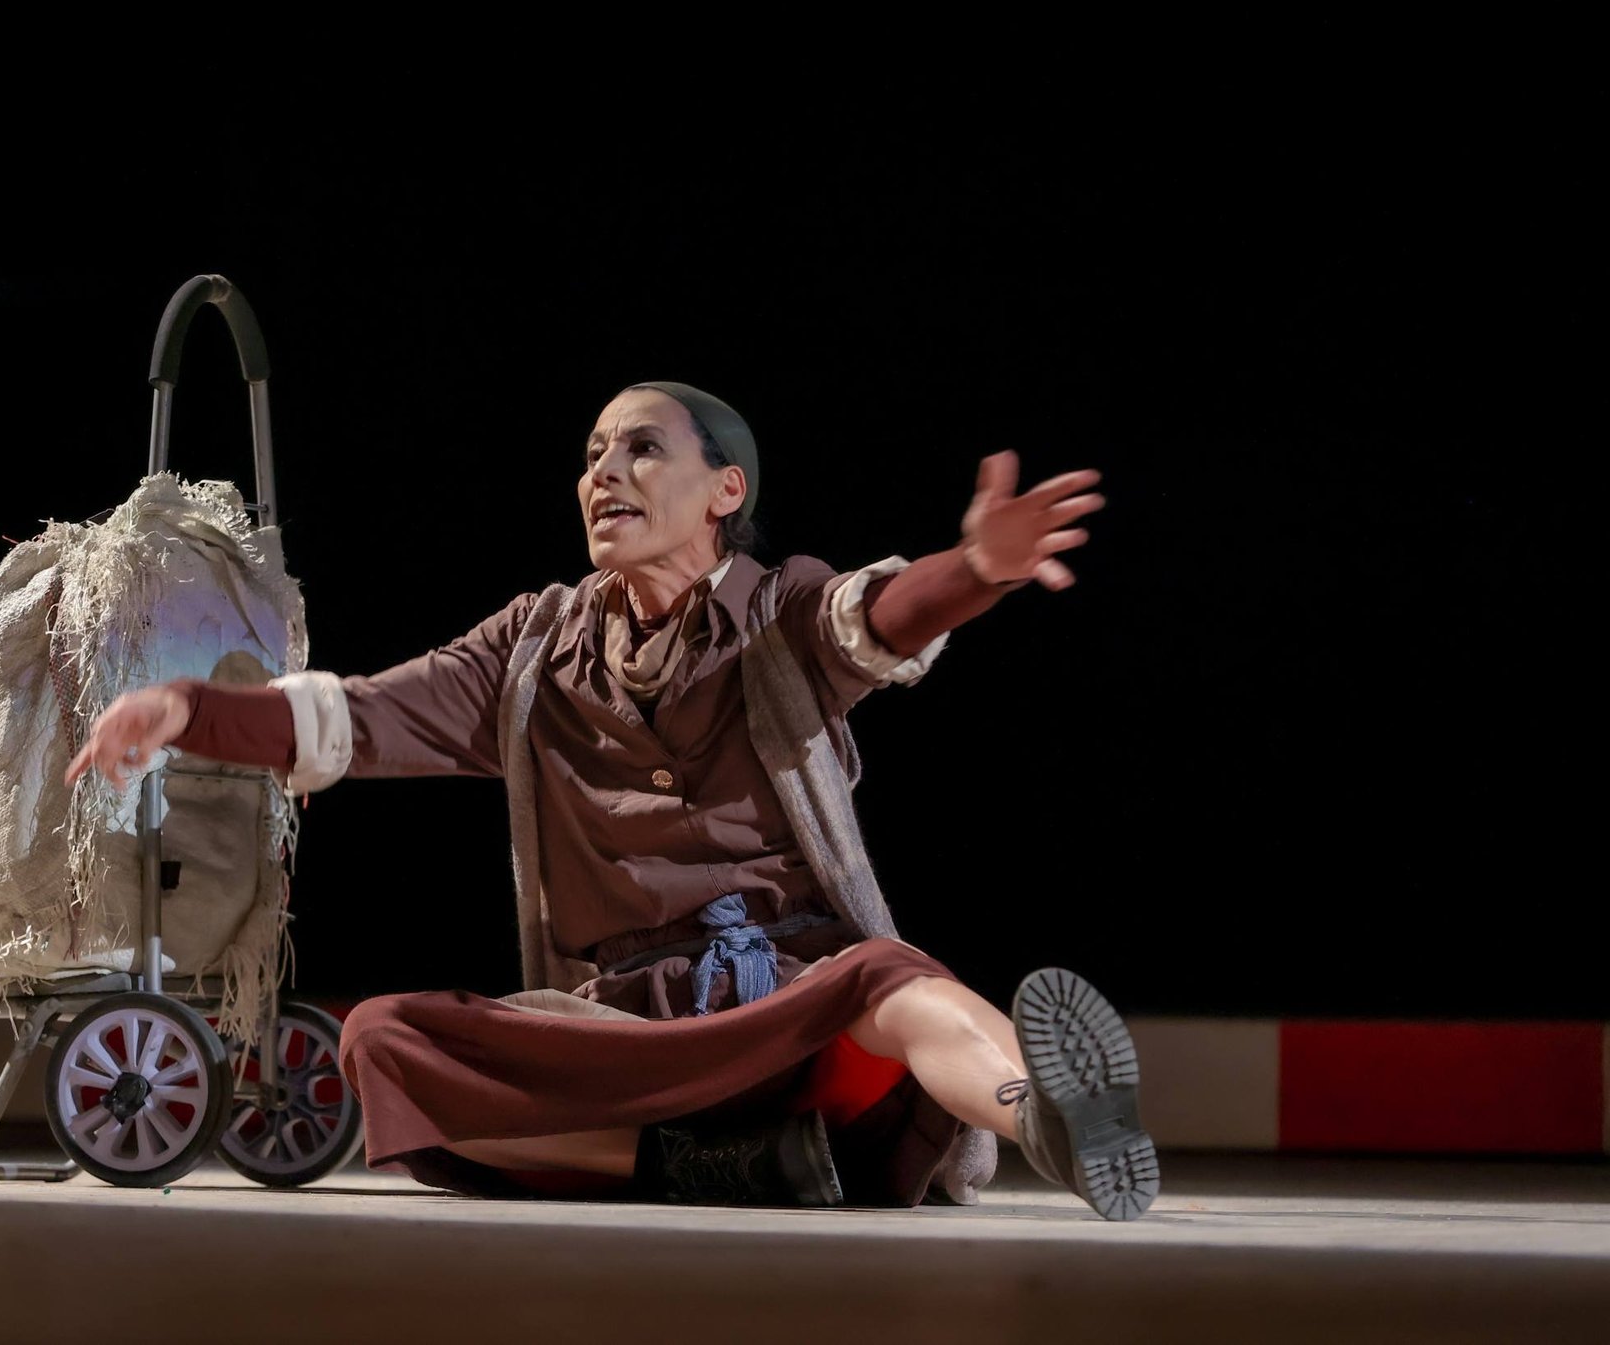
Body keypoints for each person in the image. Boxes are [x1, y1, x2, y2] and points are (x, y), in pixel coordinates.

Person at [65, 381, 1159, 1220]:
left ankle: (1048, 1116)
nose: (604, 473)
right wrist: (188, 709)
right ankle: (710, 1167)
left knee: (891, 975)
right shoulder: (532, 648)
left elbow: (874, 618)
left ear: (725, 491)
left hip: (794, 1012)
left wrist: (973, 569)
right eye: (592, 455)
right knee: (384, 1040)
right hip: (625, 1036)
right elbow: (361, 715)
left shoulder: (779, 614)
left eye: (641, 449)